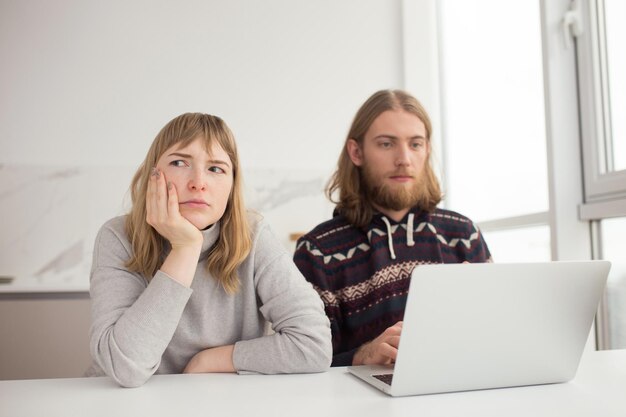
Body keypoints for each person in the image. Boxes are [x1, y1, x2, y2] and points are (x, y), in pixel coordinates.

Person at [86, 113, 332, 387]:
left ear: (231, 185)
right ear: (153, 175)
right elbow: (125, 369)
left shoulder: (254, 235)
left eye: (215, 168)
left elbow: (315, 345)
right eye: (180, 162)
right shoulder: (118, 237)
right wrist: (185, 248)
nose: (198, 182)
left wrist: (214, 360)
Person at [294, 89, 491, 367]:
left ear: (427, 150)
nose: (404, 159)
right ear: (357, 152)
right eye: (387, 144)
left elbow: (495, 334)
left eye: (415, 144)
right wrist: (363, 356)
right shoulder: (317, 251)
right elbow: (303, 359)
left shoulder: (463, 235)